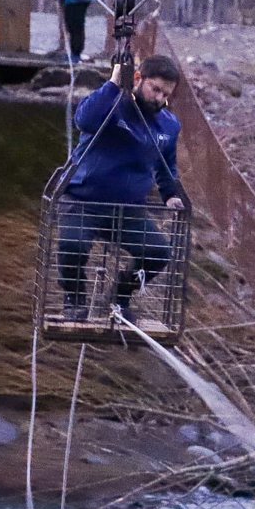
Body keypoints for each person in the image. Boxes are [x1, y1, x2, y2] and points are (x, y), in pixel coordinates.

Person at [56, 55, 185, 323]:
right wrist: (114, 84)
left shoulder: (169, 125)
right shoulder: (112, 106)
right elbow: (84, 120)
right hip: (83, 199)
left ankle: (120, 295)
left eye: (165, 94)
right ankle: (74, 299)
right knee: (72, 244)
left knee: (158, 252)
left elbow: (166, 165)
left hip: (128, 209)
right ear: (138, 79)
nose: (159, 98)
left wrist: (170, 194)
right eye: (155, 89)